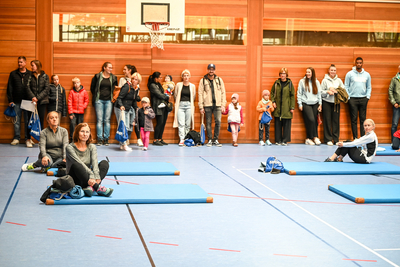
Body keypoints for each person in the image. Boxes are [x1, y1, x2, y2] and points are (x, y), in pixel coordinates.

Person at [66, 123, 113, 197]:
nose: (85, 134)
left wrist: (96, 176)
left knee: (104, 163)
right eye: (82, 131)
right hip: (76, 179)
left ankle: (90, 188)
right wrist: (91, 175)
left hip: (88, 179)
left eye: (87, 132)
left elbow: (94, 163)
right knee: (77, 165)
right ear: (77, 132)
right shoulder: (70, 147)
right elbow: (79, 163)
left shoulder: (92, 147)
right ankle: (96, 187)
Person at [198, 63, 226, 147]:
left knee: (218, 122)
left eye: (212, 69)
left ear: (214, 70)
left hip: (217, 105)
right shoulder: (203, 80)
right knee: (208, 122)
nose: (211, 70)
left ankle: (216, 139)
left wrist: (223, 104)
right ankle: (210, 139)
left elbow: (223, 92)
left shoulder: (219, 80)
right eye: (210, 69)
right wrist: (201, 106)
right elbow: (200, 93)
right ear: (207, 70)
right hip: (207, 105)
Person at [7, 56, 32, 147]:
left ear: (25, 63)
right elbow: (9, 88)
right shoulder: (13, 74)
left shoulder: (30, 74)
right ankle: (16, 138)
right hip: (16, 101)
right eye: (19, 62)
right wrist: (10, 100)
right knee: (16, 120)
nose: (19, 64)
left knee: (27, 121)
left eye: (21, 62)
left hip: (28, 101)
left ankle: (27, 139)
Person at [90, 62, 118, 146]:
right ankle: (99, 139)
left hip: (109, 101)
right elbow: (93, 88)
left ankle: (106, 139)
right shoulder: (97, 76)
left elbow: (115, 89)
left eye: (111, 68)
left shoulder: (113, 78)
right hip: (99, 101)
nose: (110, 69)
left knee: (107, 120)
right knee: (99, 120)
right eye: (109, 67)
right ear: (104, 68)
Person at [345, 57, 372, 140]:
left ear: (362, 64)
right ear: (355, 63)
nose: (359, 64)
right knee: (353, 119)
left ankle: (363, 137)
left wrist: (367, 96)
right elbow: (346, 86)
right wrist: (348, 97)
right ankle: (355, 137)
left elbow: (369, 87)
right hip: (352, 99)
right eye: (357, 63)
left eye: (360, 63)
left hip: (363, 99)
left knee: (363, 120)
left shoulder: (367, 74)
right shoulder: (349, 74)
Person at [115, 72, 141, 151]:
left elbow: (133, 100)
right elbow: (119, 98)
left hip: (127, 108)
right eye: (133, 79)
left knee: (126, 126)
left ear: (138, 81)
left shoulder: (136, 88)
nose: (134, 80)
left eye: (136, 79)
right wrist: (121, 106)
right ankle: (125, 145)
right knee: (124, 126)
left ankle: (122, 145)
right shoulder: (127, 86)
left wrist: (136, 108)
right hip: (120, 108)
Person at [321, 64, 345, 146]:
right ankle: (328, 139)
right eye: (331, 70)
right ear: (328, 71)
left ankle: (336, 139)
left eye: (334, 70)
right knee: (327, 121)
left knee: (336, 121)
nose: (333, 72)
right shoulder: (324, 81)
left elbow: (343, 91)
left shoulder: (339, 80)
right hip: (326, 102)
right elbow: (321, 92)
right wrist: (328, 92)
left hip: (336, 103)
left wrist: (336, 91)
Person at [298, 67, 322, 146]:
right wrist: (300, 104)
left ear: (312, 73)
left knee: (315, 121)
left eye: (309, 72)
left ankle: (314, 137)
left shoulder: (316, 82)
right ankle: (309, 138)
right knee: (310, 119)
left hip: (315, 103)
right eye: (307, 72)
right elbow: (299, 93)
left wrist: (320, 104)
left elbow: (319, 94)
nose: (307, 73)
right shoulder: (302, 81)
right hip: (306, 103)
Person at [271, 67, 295, 146]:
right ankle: (278, 140)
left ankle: (285, 140)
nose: (282, 75)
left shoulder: (290, 84)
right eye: (281, 73)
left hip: (286, 108)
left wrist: (292, 107)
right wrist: (273, 102)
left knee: (287, 124)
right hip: (278, 108)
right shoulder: (276, 83)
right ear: (280, 75)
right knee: (277, 124)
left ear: (286, 75)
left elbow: (292, 96)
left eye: (284, 73)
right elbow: (272, 93)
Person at [173, 70, 196, 146]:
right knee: (181, 123)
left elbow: (194, 96)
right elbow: (176, 95)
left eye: (187, 75)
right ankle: (181, 139)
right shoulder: (178, 85)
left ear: (189, 77)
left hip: (189, 105)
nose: (186, 77)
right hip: (181, 106)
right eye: (184, 75)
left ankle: (186, 138)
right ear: (182, 77)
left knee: (187, 124)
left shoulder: (192, 86)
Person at [26, 60, 50, 130]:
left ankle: (41, 139)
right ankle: (29, 139)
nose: (31, 67)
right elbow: (27, 87)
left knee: (41, 120)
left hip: (42, 102)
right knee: (30, 121)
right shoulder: (29, 76)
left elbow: (47, 89)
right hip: (31, 101)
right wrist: (33, 97)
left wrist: (37, 98)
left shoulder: (45, 76)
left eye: (32, 65)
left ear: (37, 66)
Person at [148, 72, 170, 146]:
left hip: (163, 106)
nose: (161, 79)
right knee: (159, 123)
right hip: (157, 106)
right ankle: (155, 140)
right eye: (160, 77)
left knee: (163, 123)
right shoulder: (152, 85)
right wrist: (167, 97)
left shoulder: (159, 85)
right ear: (156, 78)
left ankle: (160, 139)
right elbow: (159, 95)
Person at [388, 65, 400, 143]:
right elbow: (390, 91)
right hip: (397, 105)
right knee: (394, 124)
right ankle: (394, 142)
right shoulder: (394, 79)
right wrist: (393, 102)